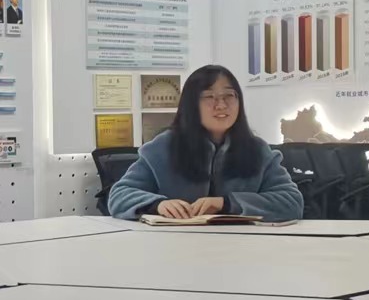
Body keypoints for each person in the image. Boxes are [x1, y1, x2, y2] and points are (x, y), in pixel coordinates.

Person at [108, 65, 304, 222]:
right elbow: (119, 195)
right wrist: (157, 205)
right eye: (209, 97)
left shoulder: (258, 151)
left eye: (229, 95)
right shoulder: (163, 147)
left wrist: (226, 204)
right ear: (191, 105)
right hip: (175, 247)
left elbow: (291, 202)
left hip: (240, 248)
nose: (221, 105)